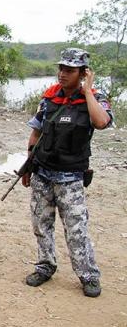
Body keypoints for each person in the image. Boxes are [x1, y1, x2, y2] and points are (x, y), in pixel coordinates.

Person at [22, 48, 113, 298]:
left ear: (83, 73)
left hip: (71, 177)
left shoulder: (95, 98)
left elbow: (102, 122)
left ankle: (88, 276)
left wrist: (87, 91)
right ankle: (45, 266)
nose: (62, 74)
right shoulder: (50, 98)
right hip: (43, 174)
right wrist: (28, 166)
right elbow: (36, 132)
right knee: (41, 224)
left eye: (70, 70)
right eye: (61, 68)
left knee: (76, 229)